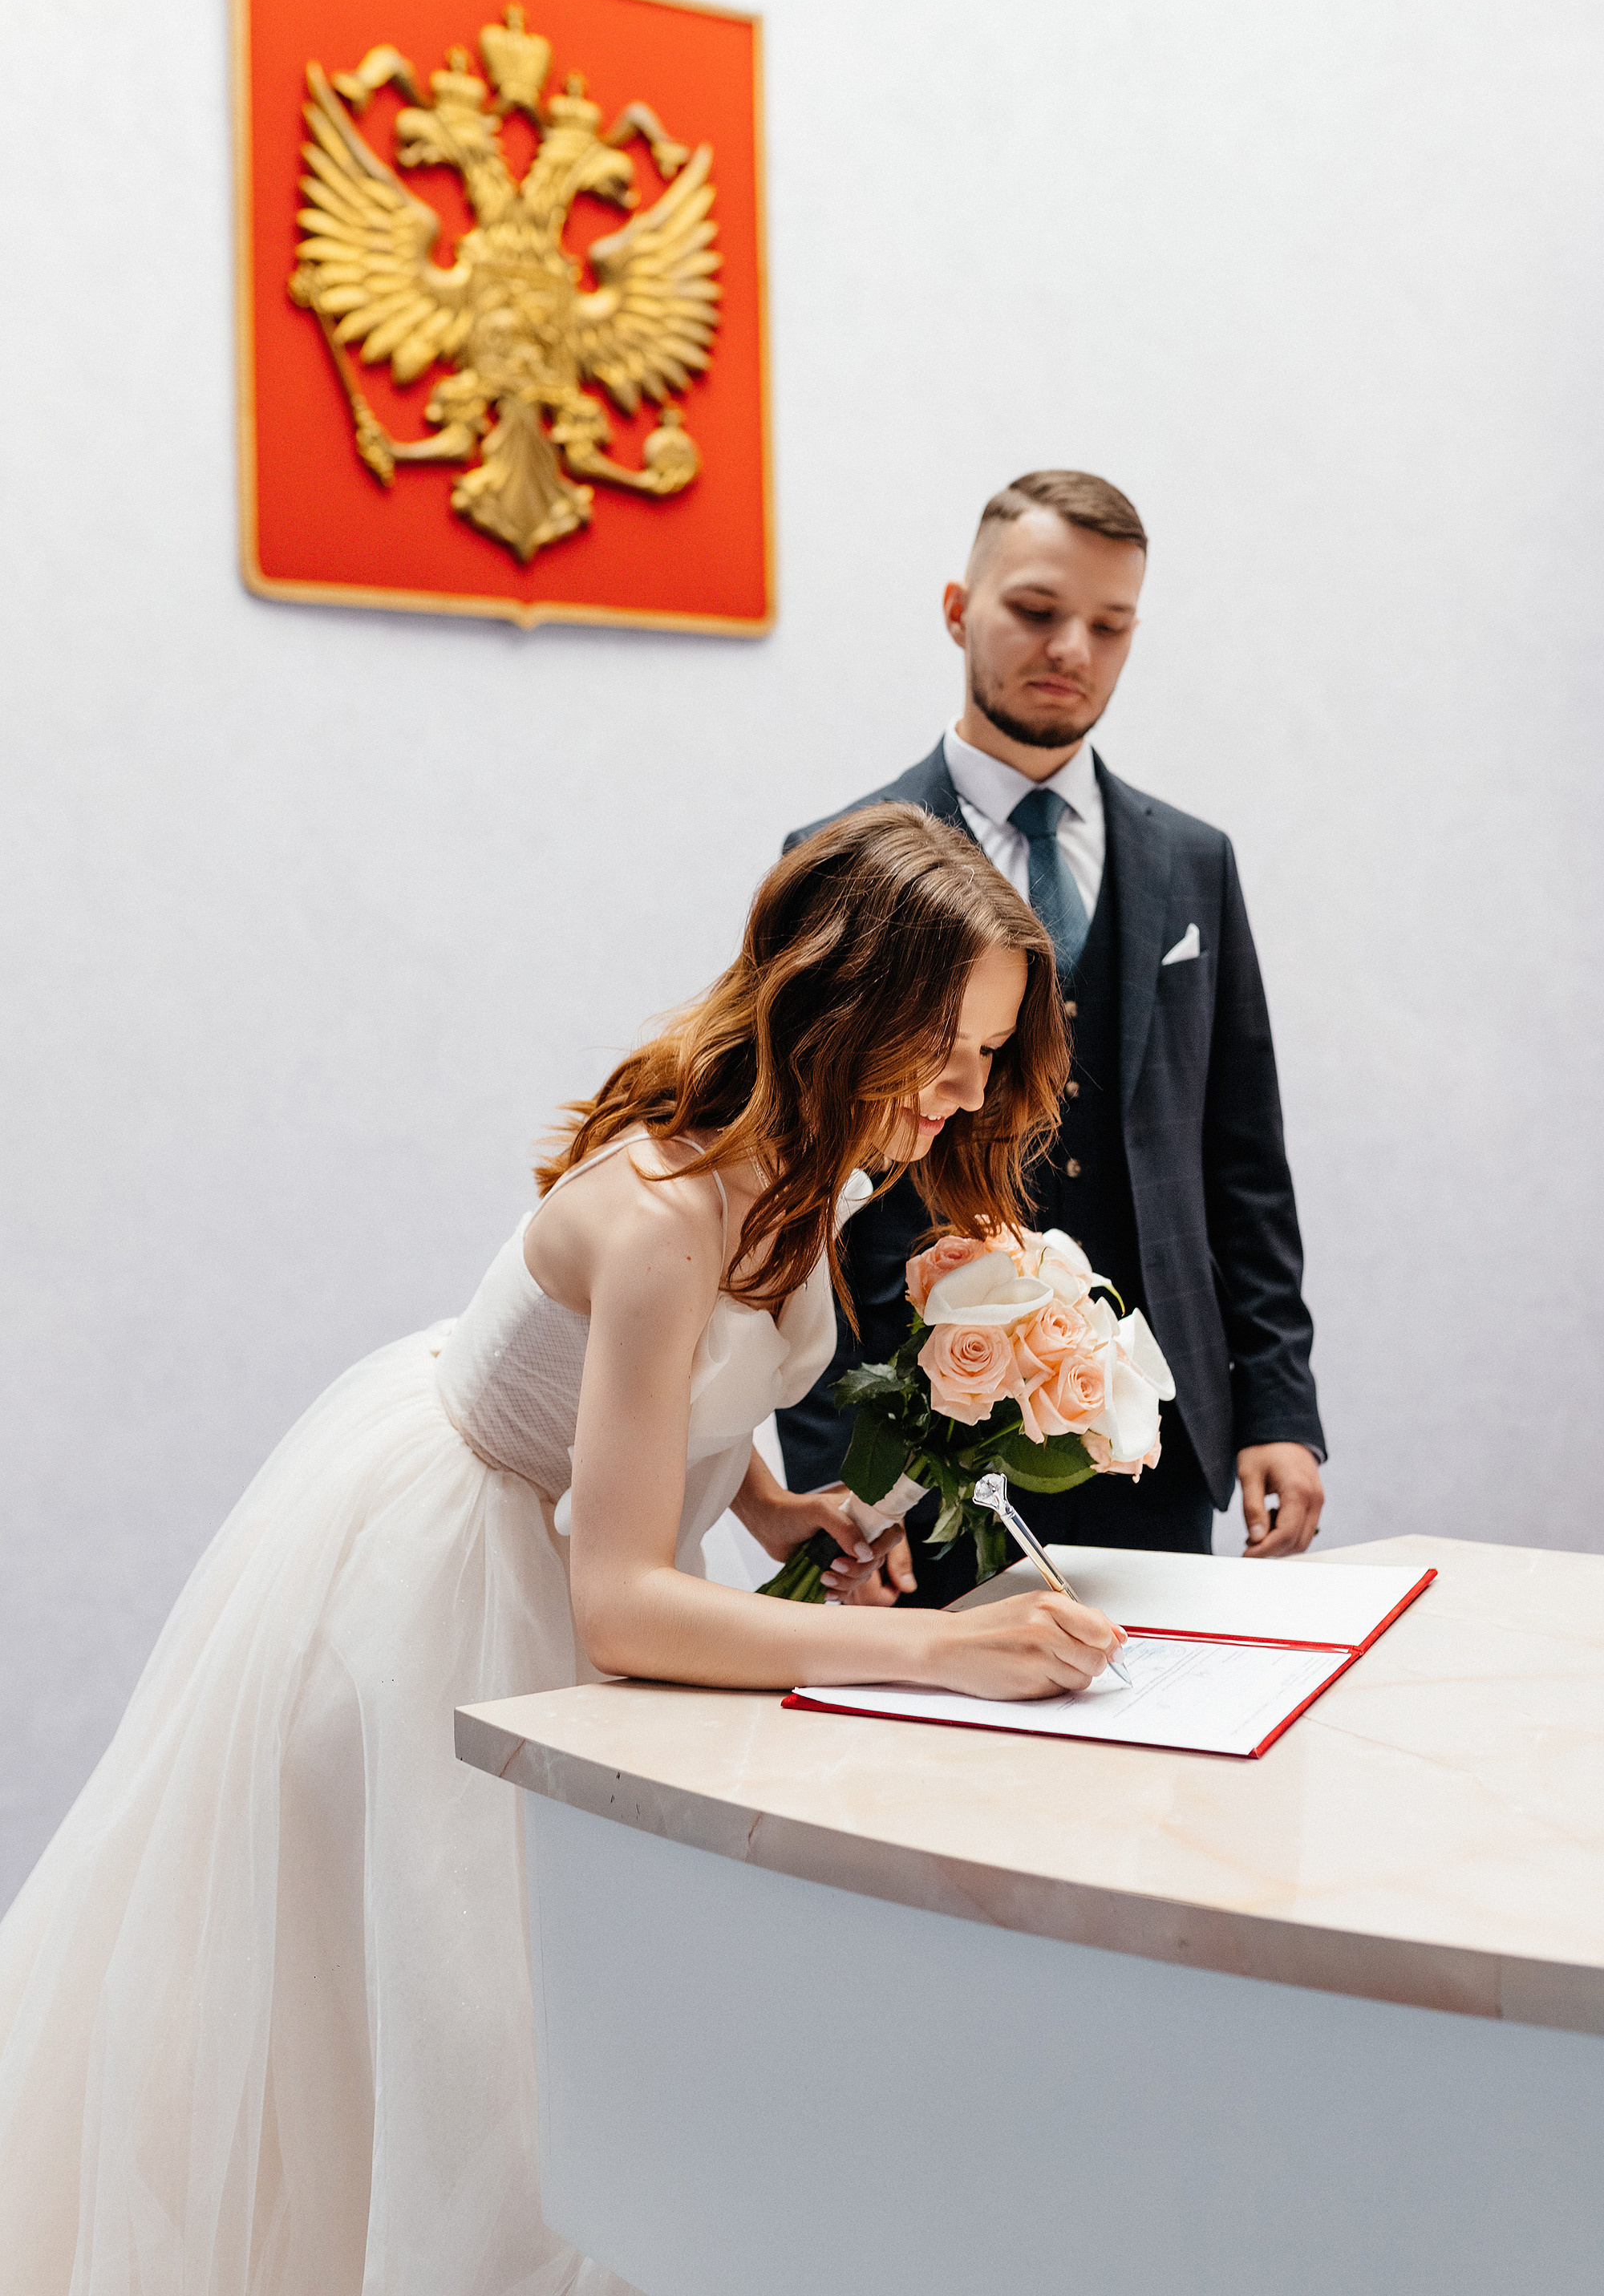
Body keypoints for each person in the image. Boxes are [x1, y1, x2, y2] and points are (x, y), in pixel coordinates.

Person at [0, 807, 1129, 2296]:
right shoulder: (665, 1211)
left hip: (575, 1542)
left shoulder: (813, 1152)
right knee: (484, 2076)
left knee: (579, 2046)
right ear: (847, 1005)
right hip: (451, 1591)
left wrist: (769, 1509)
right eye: (948, 1046)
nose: (966, 1091)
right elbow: (620, 1610)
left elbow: (686, 1402)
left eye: (990, 1053)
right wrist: (943, 1652)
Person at [779, 471, 1327, 1606]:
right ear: (955, 610)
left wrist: (1278, 1404)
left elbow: (1243, 1157)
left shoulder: (1194, 863)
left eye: (1110, 624)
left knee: (1156, 1756)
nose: (1071, 646)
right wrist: (837, 1476)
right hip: (917, 1433)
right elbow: (797, 1185)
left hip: (1149, 1432)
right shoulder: (840, 859)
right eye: (1035, 610)